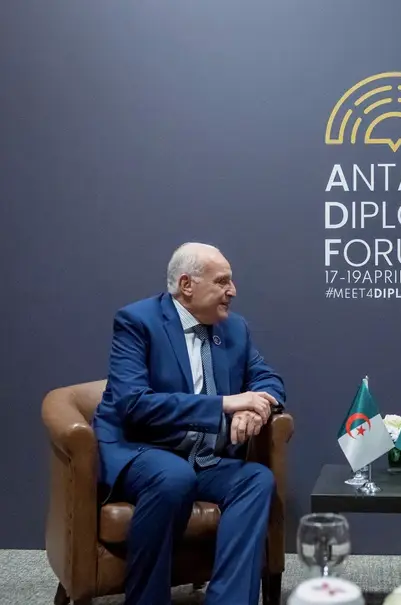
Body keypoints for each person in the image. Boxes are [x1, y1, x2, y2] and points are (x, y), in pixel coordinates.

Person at [92, 242, 287, 605]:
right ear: (186, 285)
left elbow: (268, 379)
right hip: (142, 448)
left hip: (203, 457)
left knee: (256, 479)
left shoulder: (235, 328)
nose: (233, 290)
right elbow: (135, 404)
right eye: (222, 281)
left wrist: (254, 409)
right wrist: (226, 403)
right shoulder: (138, 322)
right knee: (174, 476)